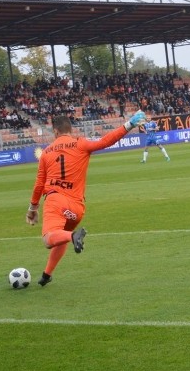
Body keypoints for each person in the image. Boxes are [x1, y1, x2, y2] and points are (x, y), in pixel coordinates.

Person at [26, 111, 147, 286]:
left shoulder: (46, 153)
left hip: (55, 202)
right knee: (62, 236)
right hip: (76, 209)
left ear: (55, 131)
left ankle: (74, 236)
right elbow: (105, 141)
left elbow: (39, 184)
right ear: (71, 129)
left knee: (49, 239)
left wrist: (33, 208)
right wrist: (129, 124)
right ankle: (46, 274)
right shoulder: (80, 144)